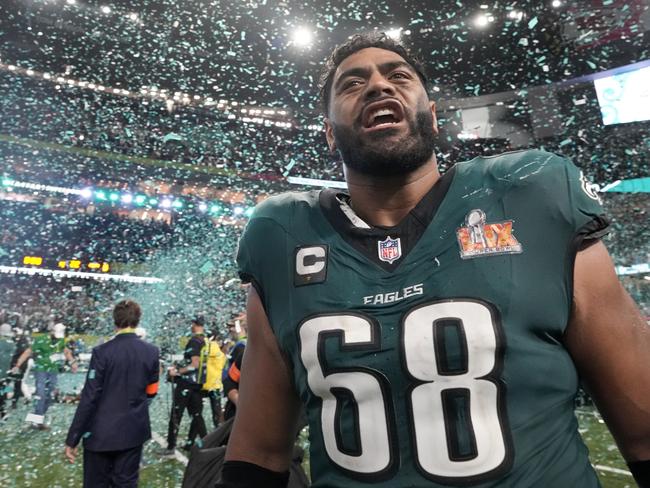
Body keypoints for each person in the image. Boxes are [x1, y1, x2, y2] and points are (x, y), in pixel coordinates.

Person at [219, 33, 650, 488]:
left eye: (399, 76)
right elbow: (259, 453)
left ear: (433, 116)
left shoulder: (530, 193)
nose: (379, 86)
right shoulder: (280, 234)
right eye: (352, 83)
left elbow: (643, 421)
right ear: (329, 133)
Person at [64, 299, 160, 488]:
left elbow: (89, 398)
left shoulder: (102, 352)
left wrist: (73, 438)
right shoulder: (151, 352)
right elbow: (152, 392)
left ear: (115, 321)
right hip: (132, 432)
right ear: (138, 320)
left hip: (100, 434)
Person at [12, 321, 78, 429]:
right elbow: (28, 352)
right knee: (41, 394)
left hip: (53, 370)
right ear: (52, 332)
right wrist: (18, 365)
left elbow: (66, 352)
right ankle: (37, 422)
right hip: (41, 370)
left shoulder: (61, 340)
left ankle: (36, 420)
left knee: (50, 396)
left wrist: (72, 362)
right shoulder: (41, 339)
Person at [164, 315, 208, 454]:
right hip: (199, 383)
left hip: (187, 383)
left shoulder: (194, 341)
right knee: (197, 416)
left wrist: (177, 372)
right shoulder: (205, 340)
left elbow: (195, 364)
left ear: (194, 324)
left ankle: (171, 446)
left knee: (176, 414)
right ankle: (207, 445)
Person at [222, 317, 247, 422]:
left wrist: (239, 403)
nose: (230, 330)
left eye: (232, 326)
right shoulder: (238, 345)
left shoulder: (241, 346)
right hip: (234, 395)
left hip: (237, 398)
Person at [0, 323, 16, 420]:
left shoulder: (1, 343)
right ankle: (3, 411)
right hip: (5, 372)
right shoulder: (12, 344)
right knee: (2, 391)